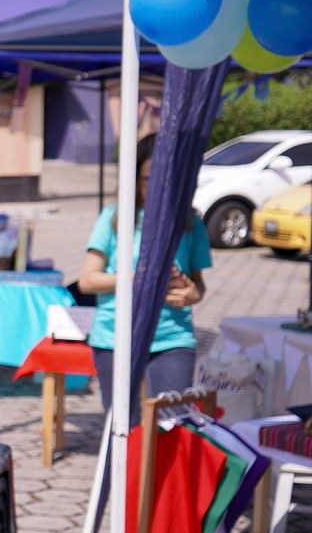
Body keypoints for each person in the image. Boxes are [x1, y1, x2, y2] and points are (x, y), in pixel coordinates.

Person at [77, 133, 212, 424]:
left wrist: (191, 293)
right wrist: (140, 278)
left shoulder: (190, 223)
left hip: (172, 337)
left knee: (173, 423)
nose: (157, 189)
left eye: (166, 180)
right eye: (149, 180)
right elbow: (87, 281)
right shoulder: (114, 218)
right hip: (116, 336)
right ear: (134, 180)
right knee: (122, 425)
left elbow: (198, 285)